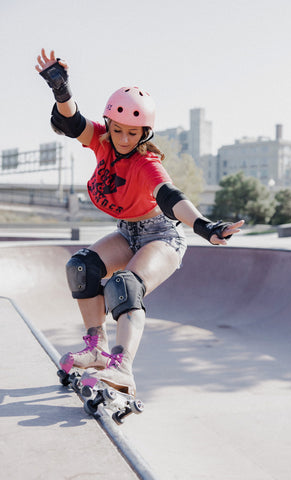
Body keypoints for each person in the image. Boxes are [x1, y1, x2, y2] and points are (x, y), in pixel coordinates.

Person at [36, 49, 244, 396]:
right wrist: (61, 88)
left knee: (124, 285)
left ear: (144, 133)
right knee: (82, 267)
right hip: (127, 232)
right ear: (111, 125)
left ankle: (123, 368)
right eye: (119, 131)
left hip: (161, 235)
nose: (124, 139)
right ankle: (96, 349)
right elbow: (72, 123)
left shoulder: (147, 163)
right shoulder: (102, 140)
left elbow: (171, 198)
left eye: (134, 133)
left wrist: (205, 226)